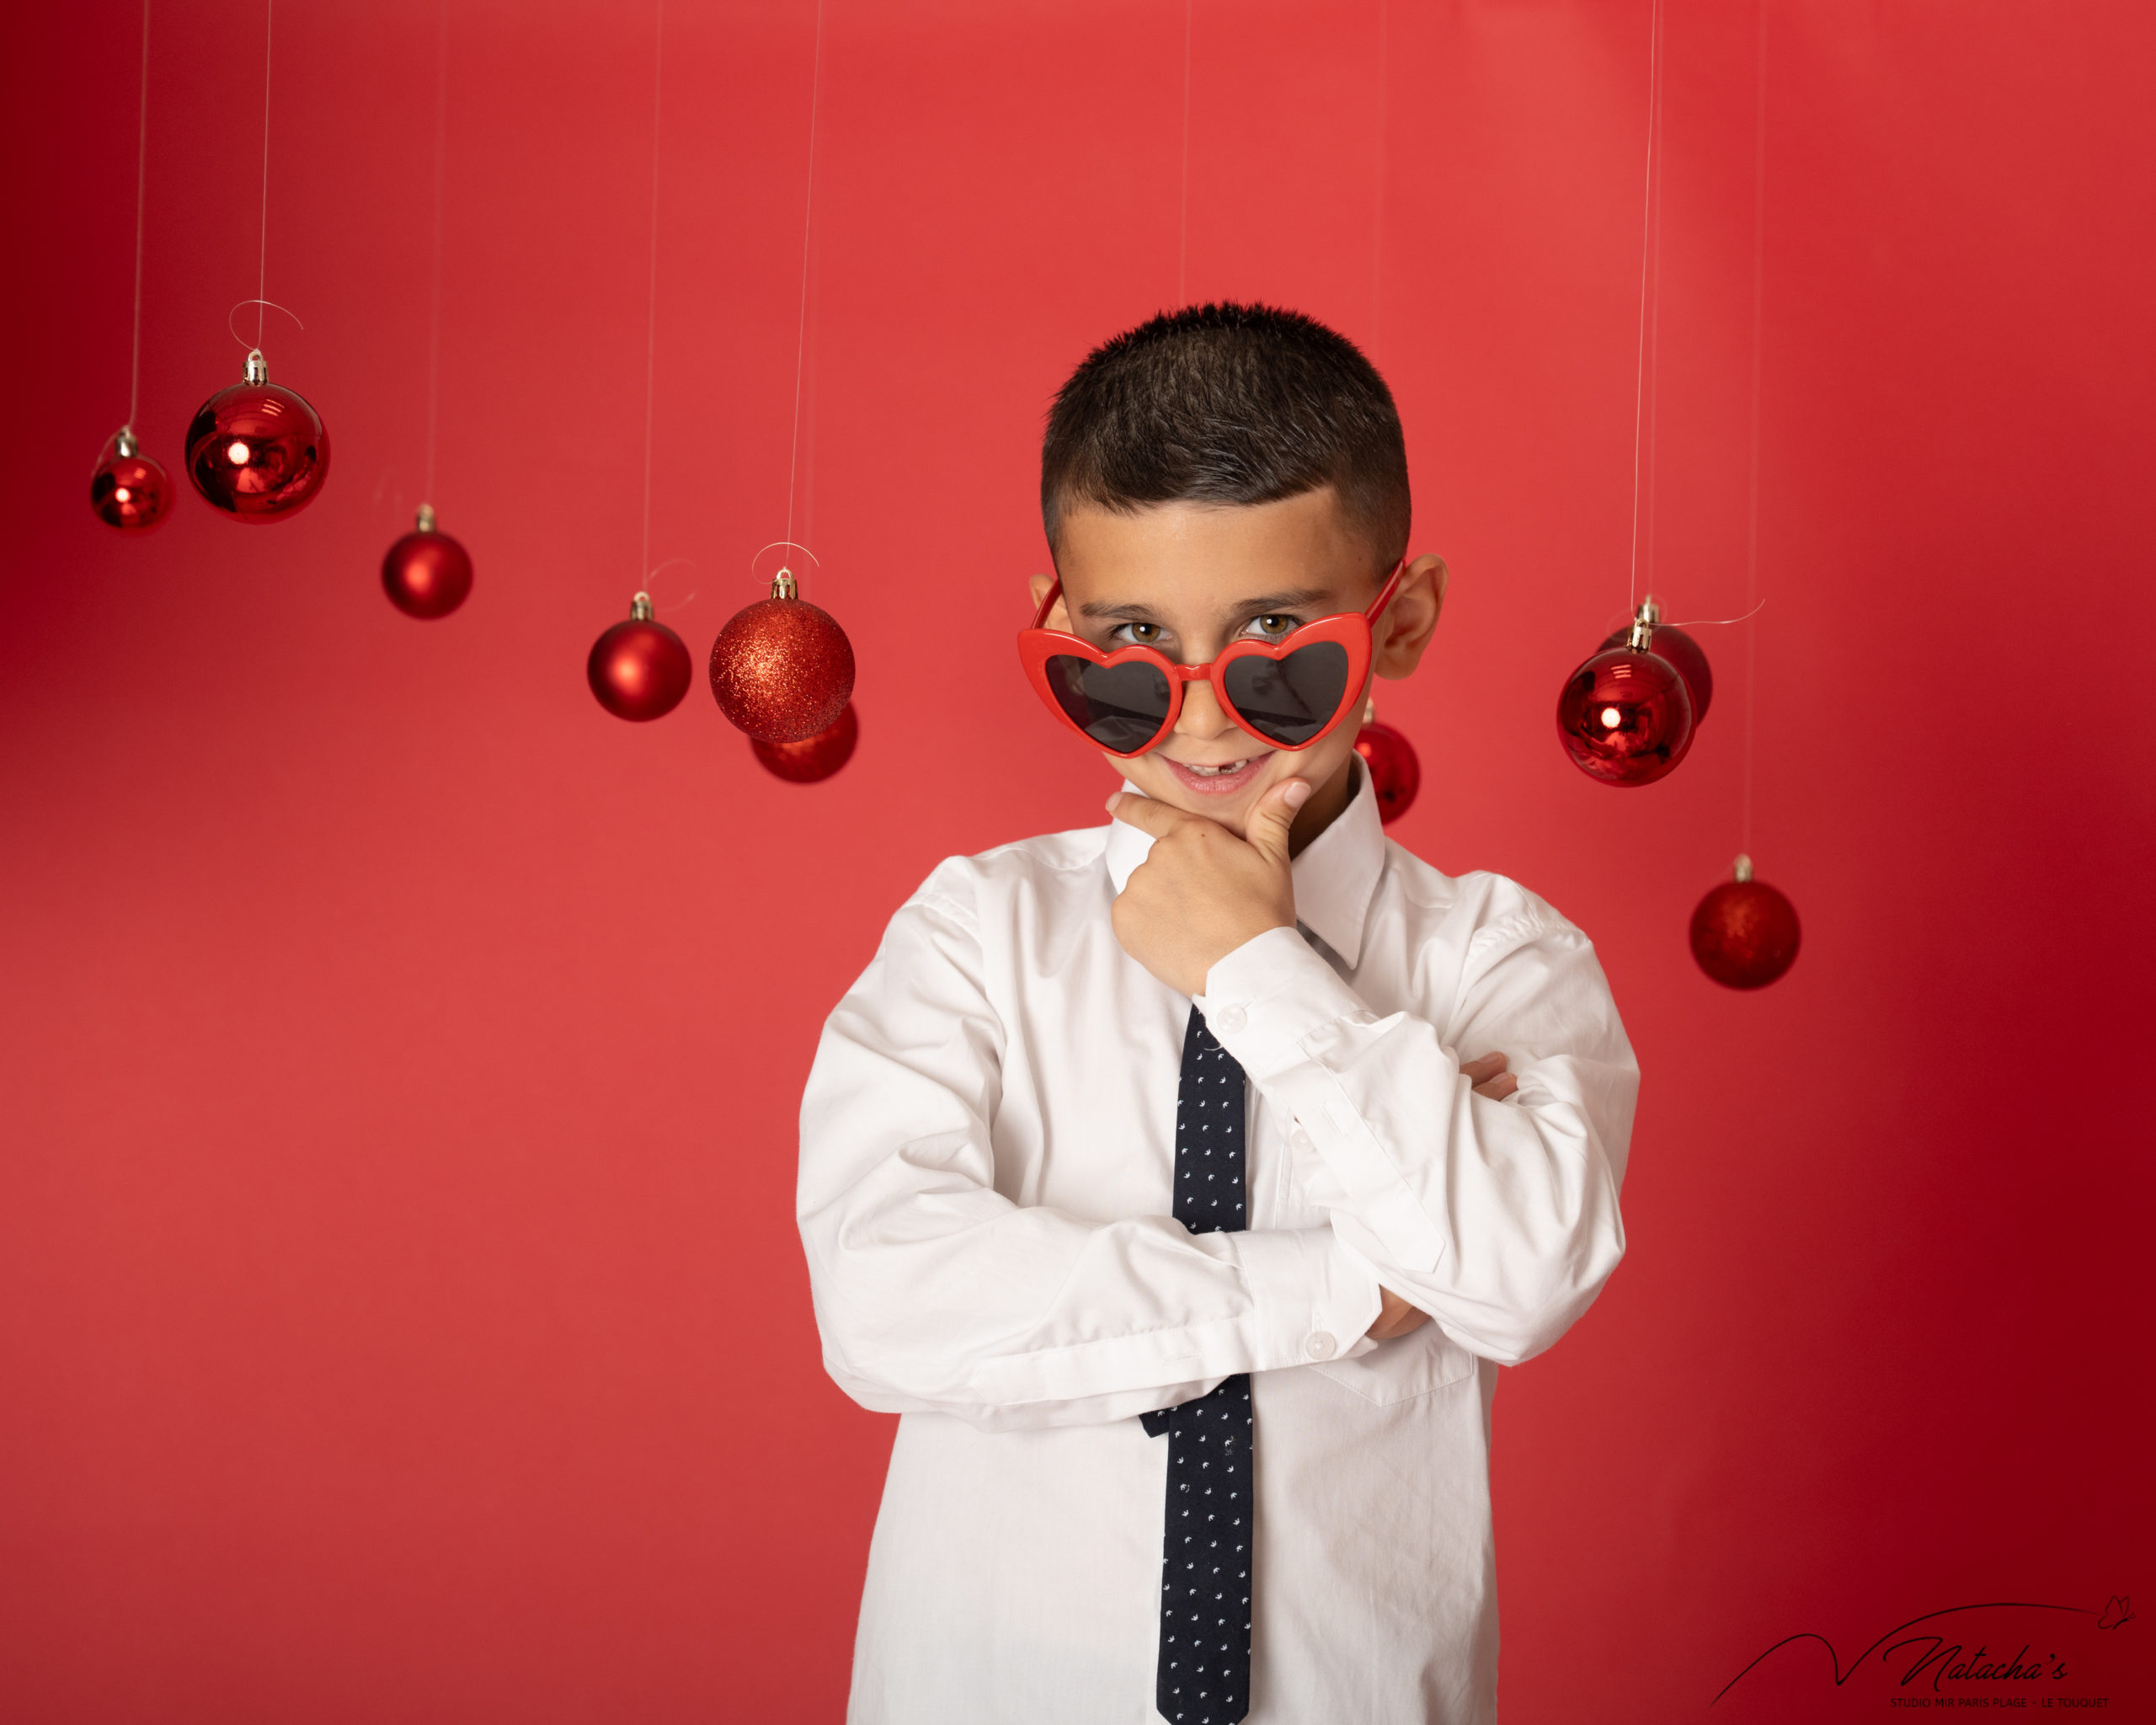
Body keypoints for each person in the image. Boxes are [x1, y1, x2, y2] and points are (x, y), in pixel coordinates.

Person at [796, 302, 1636, 1724]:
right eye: (1130, 646)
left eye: (1274, 645)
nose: (1200, 724)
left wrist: (1257, 969)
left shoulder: (1502, 959)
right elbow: (884, 1305)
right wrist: (1334, 1288)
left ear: (1405, 619)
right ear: (1060, 624)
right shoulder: (976, 937)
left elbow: (1523, 1277)